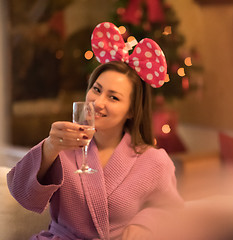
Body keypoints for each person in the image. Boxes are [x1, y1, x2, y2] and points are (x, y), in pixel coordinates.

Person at [7, 22, 184, 240]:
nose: (98, 102)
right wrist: (49, 148)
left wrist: (145, 224)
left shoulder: (154, 161)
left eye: (113, 97)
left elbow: (171, 210)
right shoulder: (63, 146)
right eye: (96, 89)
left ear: (131, 111)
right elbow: (23, 195)